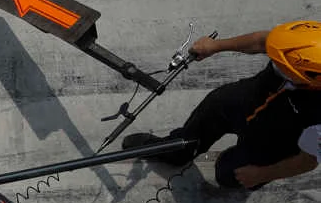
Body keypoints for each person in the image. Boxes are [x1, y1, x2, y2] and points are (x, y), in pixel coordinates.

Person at [122, 23, 321, 191]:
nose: (274, 61)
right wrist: (216, 46)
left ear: (310, 78)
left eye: (282, 65)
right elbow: (262, 41)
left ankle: (239, 174)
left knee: (229, 173)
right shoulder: (302, 43)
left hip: (276, 139)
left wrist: (262, 174)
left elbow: (308, 160)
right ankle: (177, 154)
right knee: (195, 130)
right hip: (245, 100)